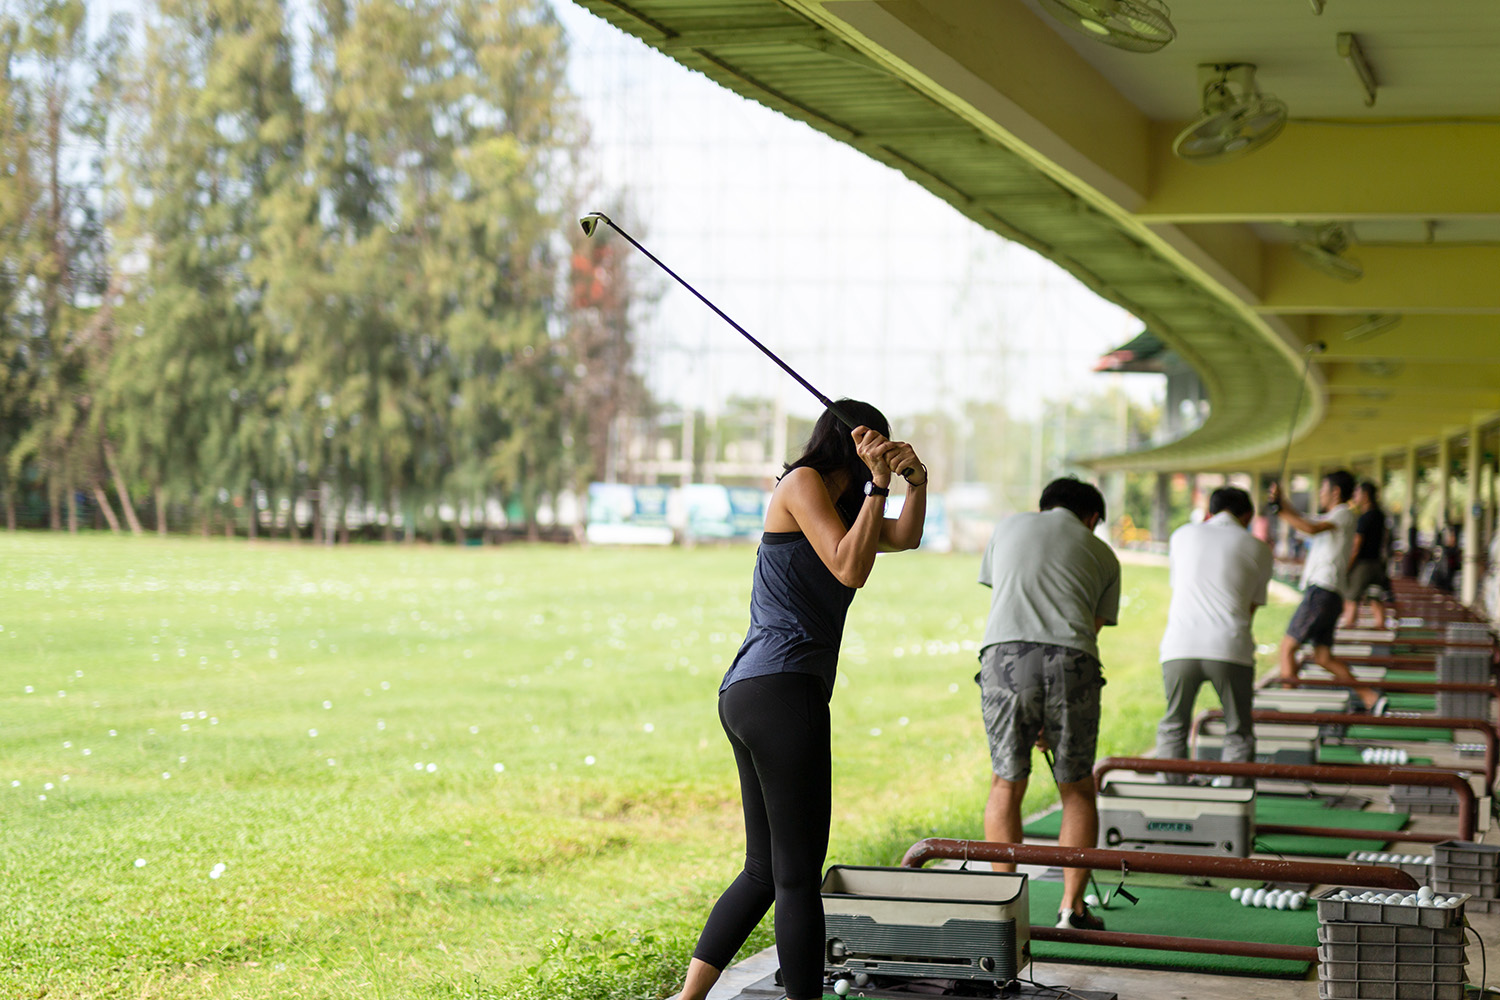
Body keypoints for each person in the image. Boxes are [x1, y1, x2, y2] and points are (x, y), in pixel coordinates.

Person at [678, 400, 926, 1000]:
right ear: (852, 443)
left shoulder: (845, 508)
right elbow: (849, 569)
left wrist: (916, 482)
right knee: (796, 880)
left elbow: (905, 536)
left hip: (757, 691)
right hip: (782, 691)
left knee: (764, 872)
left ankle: (686, 998)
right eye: (877, 445)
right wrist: (878, 483)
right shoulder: (803, 482)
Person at [975, 477, 1120, 931]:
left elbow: (1002, 588)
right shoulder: (1105, 554)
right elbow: (1089, 627)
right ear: (1092, 518)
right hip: (1071, 659)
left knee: (1006, 783)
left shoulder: (1007, 527)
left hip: (1004, 657)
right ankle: (1071, 910)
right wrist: (1052, 711)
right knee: (1076, 787)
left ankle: (1005, 908)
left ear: (1044, 506)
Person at [1153, 486, 1273, 781]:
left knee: (1174, 726)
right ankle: (1232, 804)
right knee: (1238, 731)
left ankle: (1168, 799)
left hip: (1179, 647)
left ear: (1210, 510)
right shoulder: (1259, 547)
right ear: (1246, 515)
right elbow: (1250, 609)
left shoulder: (1181, 535)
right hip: (1230, 648)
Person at [1267, 471, 1383, 711]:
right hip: (1330, 594)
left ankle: (1287, 711)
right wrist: (1283, 503)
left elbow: (1310, 527)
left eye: (1322, 488)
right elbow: (1304, 520)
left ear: (1336, 492)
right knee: (1323, 657)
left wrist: (1281, 509)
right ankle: (1369, 697)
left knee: (1288, 648)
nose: (1319, 493)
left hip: (1322, 590)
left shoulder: (1342, 513)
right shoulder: (1337, 515)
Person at [1341, 481, 1394, 629]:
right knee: (1375, 598)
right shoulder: (1380, 515)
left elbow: (1356, 545)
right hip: (1377, 564)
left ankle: (1348, 631)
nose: (1354, 496)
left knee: (1351, 599)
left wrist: (1348, 565)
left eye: (1357, 493)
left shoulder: (1364, 518)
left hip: (1362, 565)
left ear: (1365, 495)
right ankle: (1381, 633)